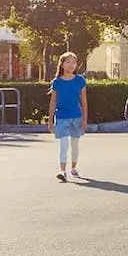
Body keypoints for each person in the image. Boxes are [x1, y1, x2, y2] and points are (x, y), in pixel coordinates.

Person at [48, 51, 88, 182]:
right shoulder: (57, 82)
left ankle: (73, 167)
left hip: (76, 116)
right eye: (68, 62)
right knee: (64, 144)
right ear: (62, 65)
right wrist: (50, 121)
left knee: (75, 144)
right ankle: (62, 171)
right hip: (61, 117)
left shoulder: (80, 80)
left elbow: (84, 102)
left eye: (74, 62)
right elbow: (53, 102)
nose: (71, 65)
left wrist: (85, 120)